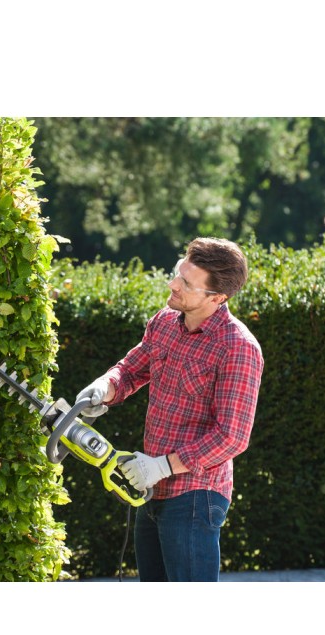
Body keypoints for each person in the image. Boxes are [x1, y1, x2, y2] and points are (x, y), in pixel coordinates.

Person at [76, 237, 263, 582]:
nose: (173, 284)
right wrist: (104, 387)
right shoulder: (165, 321)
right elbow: (131, 370)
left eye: (187, 284)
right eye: (178, 272)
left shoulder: (237, 346)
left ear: (217, 297)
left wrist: (162, 466)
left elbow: (232, 437)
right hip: (150, 486)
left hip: (195, 496)